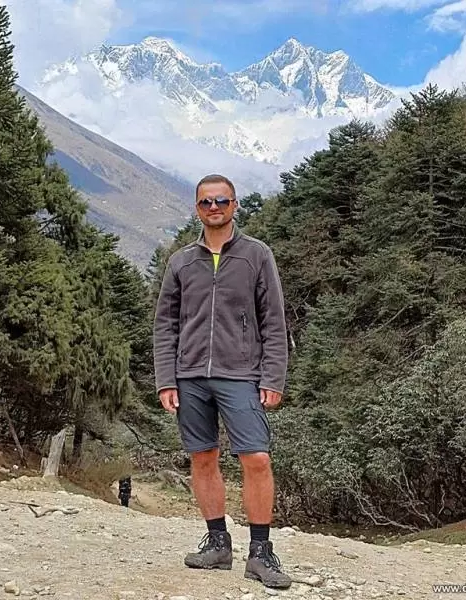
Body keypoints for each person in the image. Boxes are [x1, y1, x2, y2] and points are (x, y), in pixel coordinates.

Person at [152, 174, 291, 589]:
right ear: (197, 208)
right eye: (206, 202)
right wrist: (166, 379)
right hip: (190, 376)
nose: (214, 207)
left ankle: (260, 553)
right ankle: (217, 544)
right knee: (203, 458)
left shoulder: (256, 255)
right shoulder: (180, 262)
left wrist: (273, 376)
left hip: (242, 374)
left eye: (222, 201)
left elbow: (274, 320)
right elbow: (165, 325)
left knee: (257, 459)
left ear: (235, 205)